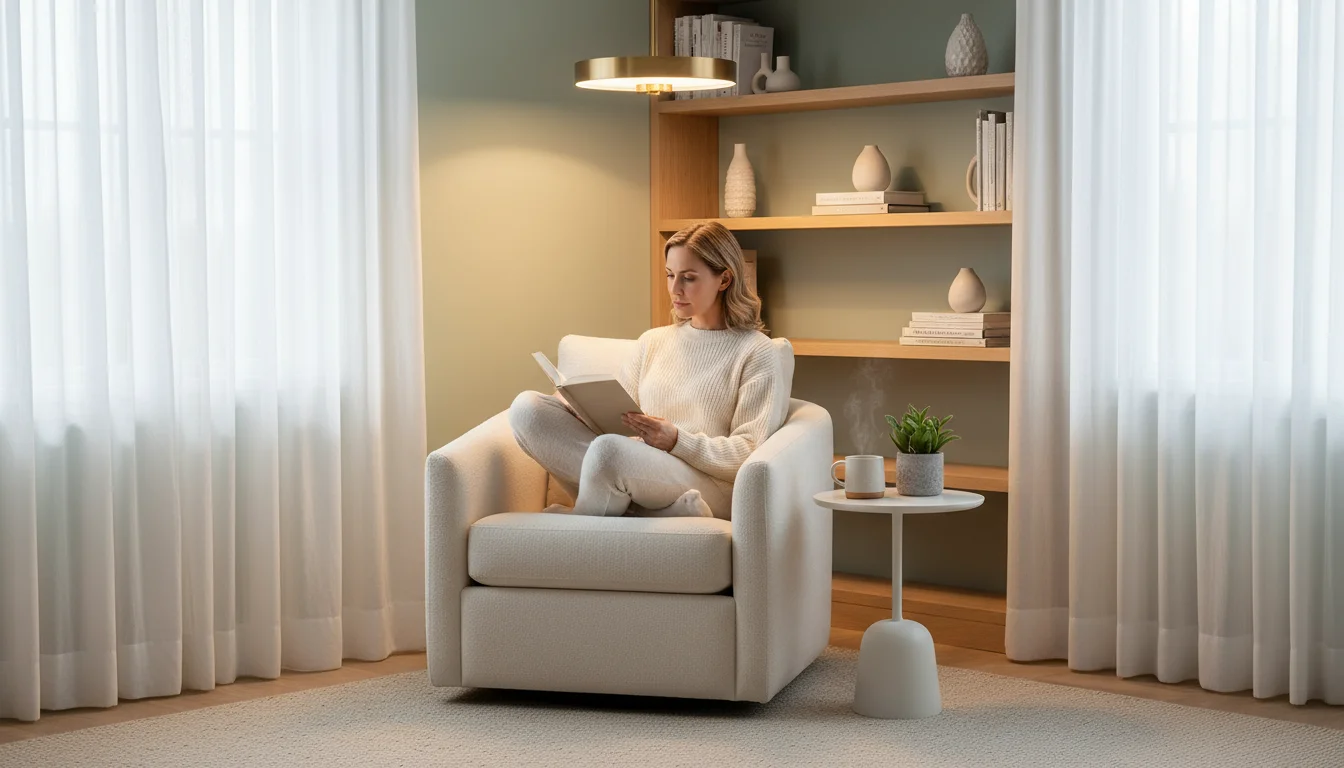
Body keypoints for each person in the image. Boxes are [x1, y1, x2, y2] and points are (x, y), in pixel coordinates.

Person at [508, 221, 789, 519]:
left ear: (724, 279)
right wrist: (577, 405)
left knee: (608, 453)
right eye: (670, 275)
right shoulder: (653, 341)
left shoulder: (757, 351)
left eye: (689, 278)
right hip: (639, 469)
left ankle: (584, 517)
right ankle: (654, 512)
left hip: (706, 482)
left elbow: (748, 451)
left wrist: (678, 440)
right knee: (528, 409)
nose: (675, 289)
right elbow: (618, 419)